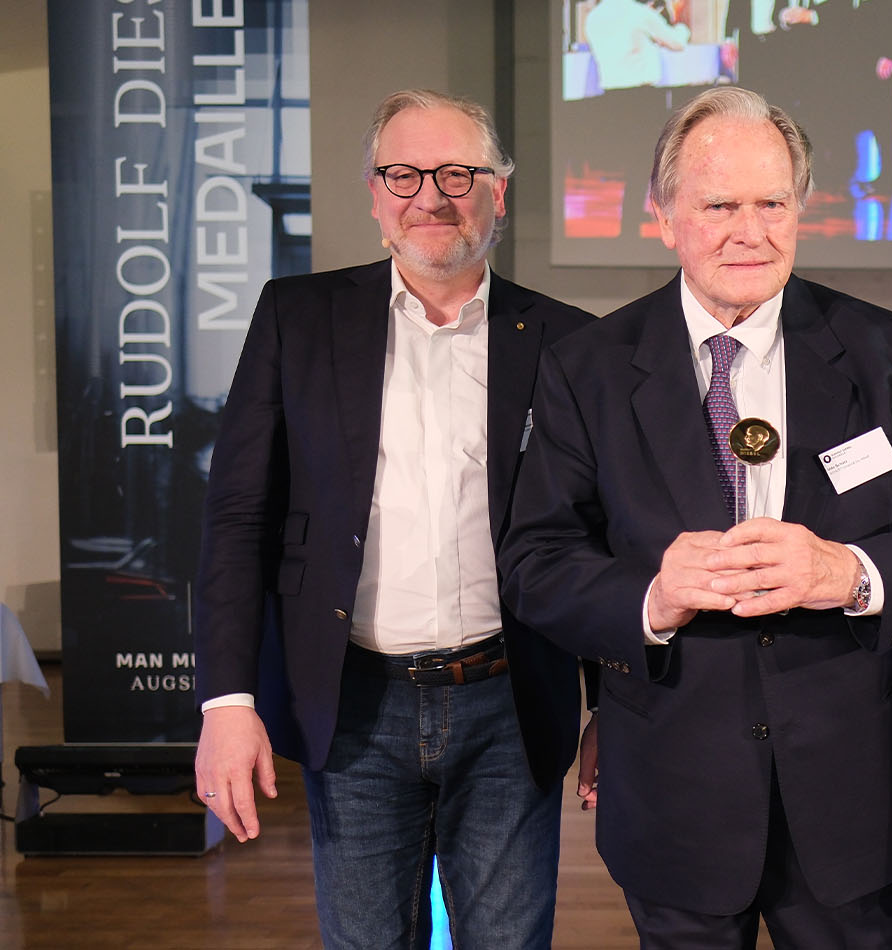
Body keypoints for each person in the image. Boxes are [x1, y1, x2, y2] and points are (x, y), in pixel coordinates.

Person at [502, 85, 892, 948]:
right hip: (674, 800)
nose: (748, 230)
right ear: (663, 217)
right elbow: (536, 559)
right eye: (719, 204)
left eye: (772, 203)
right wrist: (650, 597)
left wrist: (848, 574)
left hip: (848, 804)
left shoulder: (887, 352)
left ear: (801, 211)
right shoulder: (590, 368)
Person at [192, 89, 595, 949]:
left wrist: (617, 710)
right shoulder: (296, 319)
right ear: (375, 195)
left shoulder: (568, 341)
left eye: (457, 172)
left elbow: (605, 541)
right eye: (403, 173)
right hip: (355, 703)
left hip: (509, 699)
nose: (431, 194)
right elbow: (236, 516)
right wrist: (226, 702)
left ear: (499, 191)